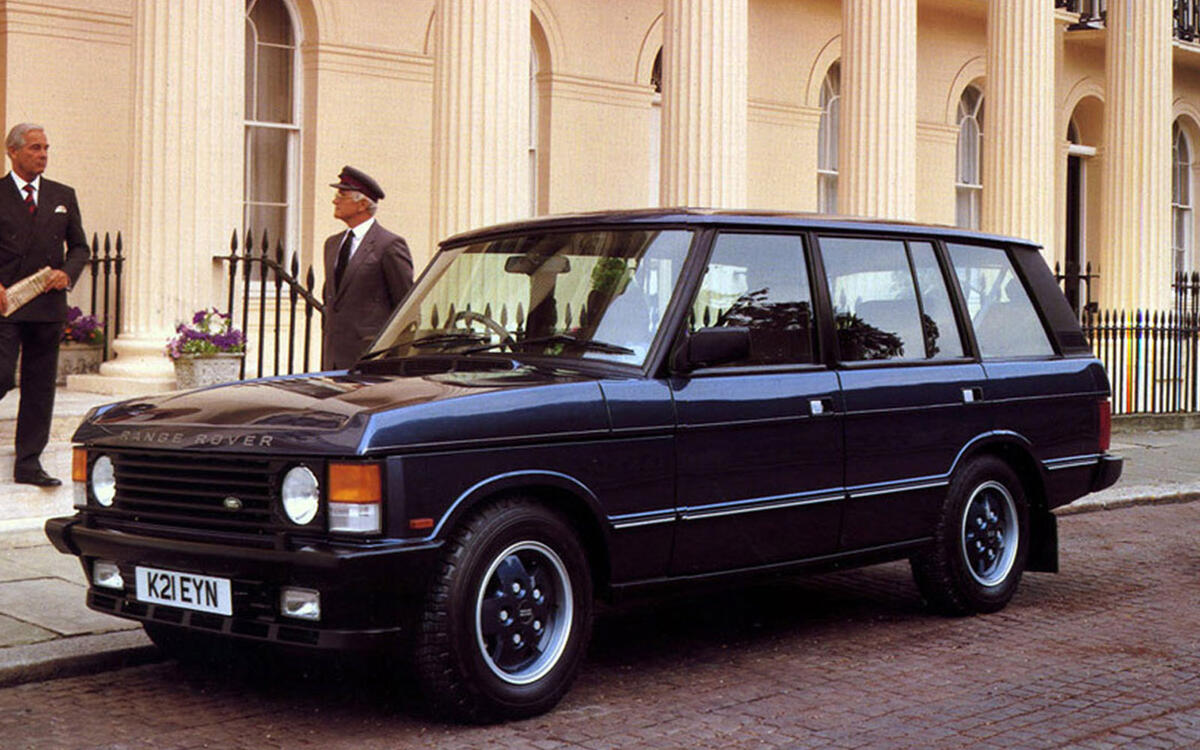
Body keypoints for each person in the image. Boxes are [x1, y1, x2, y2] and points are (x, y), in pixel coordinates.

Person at [0, 123, 89, 486]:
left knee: (39, 387)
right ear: (13, 151)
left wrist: (67, 273)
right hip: (7, 306)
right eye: (35, 148)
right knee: (2, 375)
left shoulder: (62, 194)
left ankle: (29, 464)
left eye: (46, 148)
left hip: (48, 306)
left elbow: (81, 247)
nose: (43, 155)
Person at [321, 166, 414, 369]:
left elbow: (406, 304)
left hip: (370, 358)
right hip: (334, 359)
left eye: (341, 195)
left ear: (362, 204)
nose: (334, 200)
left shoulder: (388, 245)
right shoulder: (332, 244)